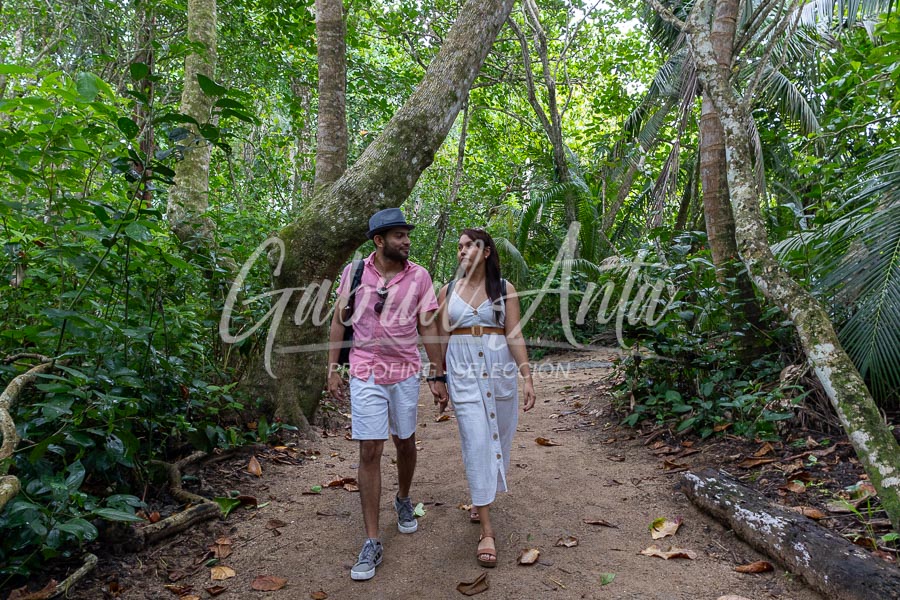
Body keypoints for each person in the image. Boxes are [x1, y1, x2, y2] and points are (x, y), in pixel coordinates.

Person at [327, 208, 448, 581]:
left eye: (407, 235)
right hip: (365, 371)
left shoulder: (419, 276)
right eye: (399, 235)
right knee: (370, 449)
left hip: (404, 372)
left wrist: (437, 373)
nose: (406, 241)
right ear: (379, 241)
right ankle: (371, 540)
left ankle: (403, 498)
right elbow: (339, 319)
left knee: (405, 441)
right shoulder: (354, 273)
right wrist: (332, 368)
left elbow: (427, 325)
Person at [435, 228, 536, 568]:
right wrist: (438, 378)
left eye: (469, 245)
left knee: (499, 440)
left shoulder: (504, 289)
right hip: (462, 369)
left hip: (499, 369)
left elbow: (514, 333)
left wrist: (527, 377)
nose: (462, 251)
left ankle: (481, 499)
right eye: (459, 247)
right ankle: (487, 531)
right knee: (477, 439)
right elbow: (441, 337)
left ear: (487, 251)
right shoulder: (448, 291)